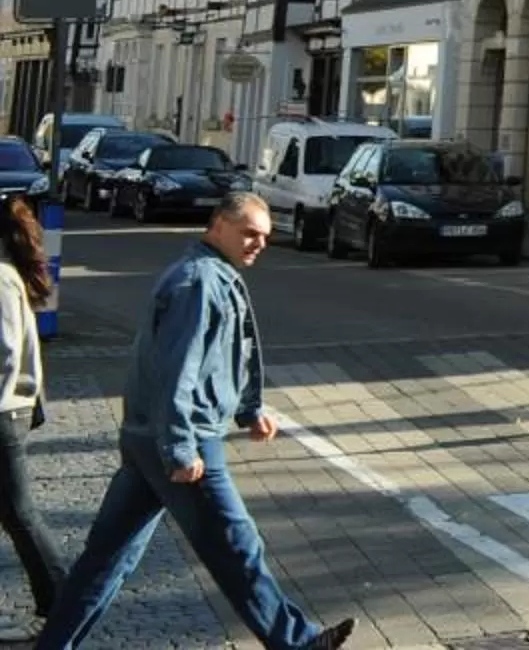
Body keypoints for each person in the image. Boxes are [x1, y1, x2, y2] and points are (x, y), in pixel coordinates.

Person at [35, 191, 352, 649]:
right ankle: (298, 643)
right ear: (217, 224)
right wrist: (181, 448)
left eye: (264, 237)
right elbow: (178, 372)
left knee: (106, 559)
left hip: (147, 437)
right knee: (235, 544)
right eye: (249, 233)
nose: (258, 244)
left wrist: (248, 409)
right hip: (183, 440)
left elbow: (224, 356)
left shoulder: (211, 273)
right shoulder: (199, 282)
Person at [0, 197, 66, 623]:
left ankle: (62, 601)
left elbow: (5, 355)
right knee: (15, 513)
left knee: (20, 514)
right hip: (7, 410)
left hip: (4, 412)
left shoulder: (1, 279)